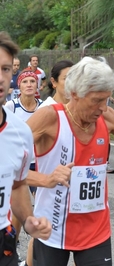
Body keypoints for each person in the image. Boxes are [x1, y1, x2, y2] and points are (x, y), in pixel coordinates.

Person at [26, 56, 114, 266]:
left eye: (106, 99)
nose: (103, 107)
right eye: (97, 100)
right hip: (51, 227)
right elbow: (6, 162)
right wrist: (46, 179)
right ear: (75, 94)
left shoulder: (107, 118)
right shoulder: (49, 117)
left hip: (95, 230)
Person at [0, 31, 51, 266]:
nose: (1, 77)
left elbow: (18, 185)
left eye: (6, 69)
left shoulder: (21, 132)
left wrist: (28, 219)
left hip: (4, 240)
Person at [18, 59, 74, 266]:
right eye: (68, 78)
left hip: (70, 184)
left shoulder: (76, 108)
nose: (72, 83)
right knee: (42, 229)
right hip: (38, 171)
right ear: (53, 82)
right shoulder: (48, 110)